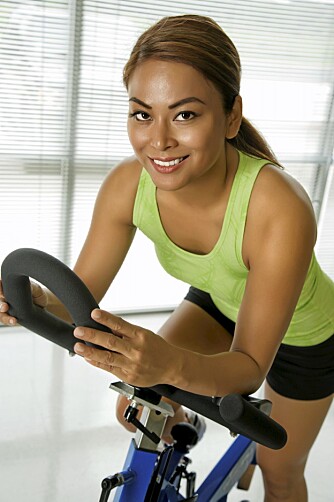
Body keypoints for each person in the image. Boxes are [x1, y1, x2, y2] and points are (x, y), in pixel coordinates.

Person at [1, 14, 333, 502]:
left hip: (304, 337)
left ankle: (250, 460)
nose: (158, 142)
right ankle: (188, 438)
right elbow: (79, 301)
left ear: (231, 117)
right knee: (139, 406)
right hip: (220, 303)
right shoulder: (126, 187)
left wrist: (173, 367)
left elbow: (247, 368)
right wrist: (28, 300)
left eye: (185, 115)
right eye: (142, 114)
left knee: (278, 470)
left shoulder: (279, 207)